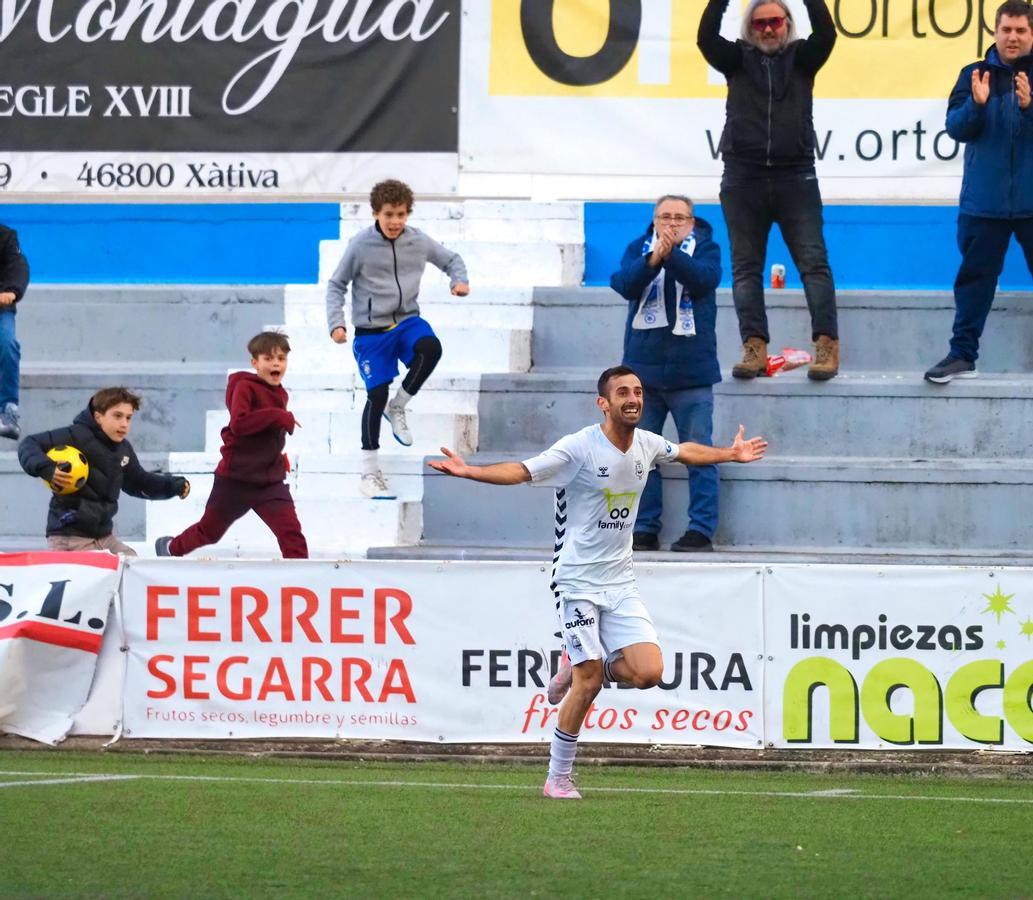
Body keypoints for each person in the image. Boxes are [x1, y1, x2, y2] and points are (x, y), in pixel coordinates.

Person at [429, 365, 768, 799]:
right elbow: (522, 470)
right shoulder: (579, 448)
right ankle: (557, 776)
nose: (633, 399)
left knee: (648, 673)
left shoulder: (647, 443)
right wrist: (470, 471)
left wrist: (729, 454)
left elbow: (684, 451)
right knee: (589, 685)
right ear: (603, 403)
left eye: (638, 392)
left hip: (620, 580)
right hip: (575, 580)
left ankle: (575, 667)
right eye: (623, 392)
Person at [924, 0, 1033, 384]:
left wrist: (1030, 104)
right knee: (974, 281)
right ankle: (962, 356)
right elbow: (955, 128)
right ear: (995, 32)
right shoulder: (973, 74)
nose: (1013, 37)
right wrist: (976, 104)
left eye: (1021, 30)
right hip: (984, 204)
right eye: (1006, 30)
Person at [698, 0, 840, 381]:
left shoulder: (803, 59)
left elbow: (827, 34)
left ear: (787, 23)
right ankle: (754, 348)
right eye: (759, 23)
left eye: (775, 21)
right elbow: (705, 38)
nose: (768, 29)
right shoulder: (736, 60)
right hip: (743, 177)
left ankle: (826, 346)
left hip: (796, 176)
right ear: (749, 28)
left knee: (813, 265)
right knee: (746, 270)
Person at [326, 179, 470, 498]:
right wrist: (336, 324)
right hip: (370, 333)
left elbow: (451, 260)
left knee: (430, 348)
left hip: (406, 322)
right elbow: (336, 285)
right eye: (389, 214)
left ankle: (400, 405)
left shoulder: (418, 241)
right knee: (376, 395)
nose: (395, 221)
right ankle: (369, 471)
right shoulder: (360, 245)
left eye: (401, 214)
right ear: (376, 213)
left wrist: (458, 280)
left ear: (408, 214)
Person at [609, 194, 723, 553]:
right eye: (665, 217)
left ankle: (701, 529)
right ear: (654, 220)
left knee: (698, 453)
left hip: (692, 374)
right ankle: (644, 527)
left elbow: (704, 280)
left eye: (679, 217)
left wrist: (670, 256)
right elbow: (623, 283)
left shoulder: (706, 248)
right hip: (643, 377)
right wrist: (653, 258)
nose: (672, 223)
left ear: (691, 222)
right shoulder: (638, 248)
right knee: (643, 457)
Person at [155, 331, 308, 559]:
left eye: (281, 358)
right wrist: (279, 416)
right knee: (210, 532)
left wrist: (276, 456)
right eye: (268, 358)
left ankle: (302, 584)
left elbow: (265, 435)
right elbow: (240, 424)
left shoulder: (280, 393)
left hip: (269, 482)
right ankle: (170, 548)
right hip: (235, 480)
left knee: (291, 534)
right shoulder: (244, 387)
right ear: (255, 363)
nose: (276, 363)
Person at [18, 387, 190, 555]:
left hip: (104, 537)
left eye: (129, 418)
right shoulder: (75, 435)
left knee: (133, 566)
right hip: (69, 537)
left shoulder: (123, 449)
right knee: (105, 573)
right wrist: (47, 468)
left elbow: (138, 482)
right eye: (117, 416)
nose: (124, 424)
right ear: (98, 416)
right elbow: (29, 444)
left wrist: (173, 486)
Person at [0, 223, 30, 440]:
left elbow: (18, 267)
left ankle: (8, 411)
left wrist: (11, 290)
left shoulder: (6, 236)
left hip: (0, 308)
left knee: (7, 344)